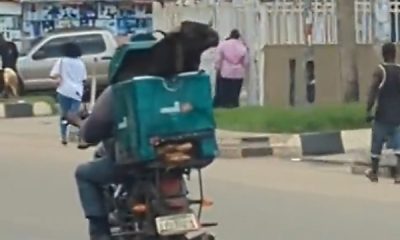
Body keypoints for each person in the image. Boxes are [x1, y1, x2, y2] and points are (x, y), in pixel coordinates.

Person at [365, 42, 400, 183]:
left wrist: (368, 109)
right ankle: (398, 175)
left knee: (377, 143)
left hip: (382, 115)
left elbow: (373, 91)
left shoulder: (380, 71)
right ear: (395, 53)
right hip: (398, 116)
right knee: (398, 147)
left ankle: (374, 172)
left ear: (383, 54)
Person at [50, 42, 87, 145]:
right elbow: (84, 79)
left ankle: (64, 137)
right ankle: (82, 134)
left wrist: (60, 78)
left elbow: (53, 74)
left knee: (64, 115)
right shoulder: (81, 63)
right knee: (73, 114)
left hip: (64, 90)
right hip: (77, 92)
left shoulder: (62, 61)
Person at [214, 29, 249, 108]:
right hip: (238, 73)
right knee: (235, 92)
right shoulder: (242, 46)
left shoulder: (223, 45)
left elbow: (218, 58)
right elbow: (246, 62)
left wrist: (218, 68)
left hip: (226, 72)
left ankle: (224, 105)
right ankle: (234, 105)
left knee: (225, 91)